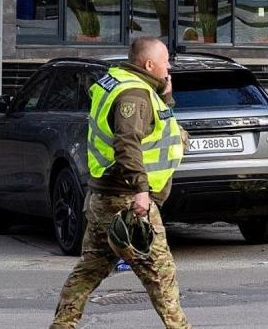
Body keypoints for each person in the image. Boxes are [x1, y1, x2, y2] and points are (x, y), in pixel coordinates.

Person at [50, 37, 190, 329]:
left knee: (89, 269)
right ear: (149, 64)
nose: (169, 66)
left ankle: (62, 325)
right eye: (165, 61)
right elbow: (127, 143)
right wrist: (141, 191)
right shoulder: (134, 95)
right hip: (126, 198)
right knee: (160, 274)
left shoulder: (120, 81)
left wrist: (166, 97)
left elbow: (153, 127)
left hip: (103, 196)